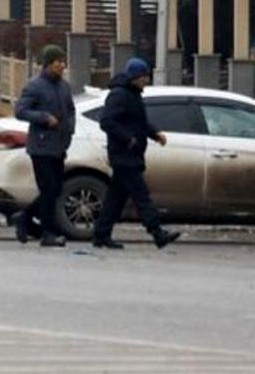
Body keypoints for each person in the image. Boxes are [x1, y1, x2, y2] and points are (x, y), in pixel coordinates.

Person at [92, 58, 182, 250]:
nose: (146, 80)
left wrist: (154, 134)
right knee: (142, 196)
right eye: (143, 77)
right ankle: (157, 233)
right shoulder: (119, 95)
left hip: (131, 154)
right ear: (133, 77)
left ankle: (101, 234)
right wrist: (127, 138)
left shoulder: (133, 95)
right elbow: (106, 122)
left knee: (115, 199)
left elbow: (138, 123)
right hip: (124, 155)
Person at [13, 45, 77, 247]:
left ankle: (24, 217)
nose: (62, 65)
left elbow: (71, 109)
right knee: (48, 188)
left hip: (59, 146)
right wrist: (43, 117)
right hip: (41, 146)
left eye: (63, 61)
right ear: (48, 64)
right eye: (58, 61)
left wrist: (70, 128)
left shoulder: (64, 86)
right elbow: (20, 111)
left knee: (55, 189)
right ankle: (48, 232)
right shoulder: (35, 85)